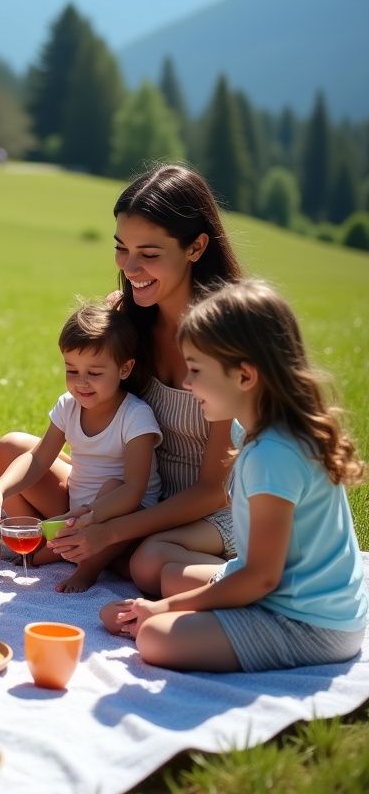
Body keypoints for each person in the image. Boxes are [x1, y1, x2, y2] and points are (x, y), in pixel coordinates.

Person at [100, 280, 367, 672]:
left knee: (154, 635)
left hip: (305, 622)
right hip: (279, 590)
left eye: (196, 370)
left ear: (245, 376)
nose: (188, 384)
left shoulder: (273, 454)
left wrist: (163, 608)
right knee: (169, 575)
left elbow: (260, 578)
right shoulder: (258, 429)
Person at [53, 164, 244, 585]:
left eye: (150, 254)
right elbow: (87, 406)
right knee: (15, 450)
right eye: (122, 248)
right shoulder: (126, 319)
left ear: (195, 248)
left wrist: (112, 529)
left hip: (209, 512)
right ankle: (113, 555)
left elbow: (214, 490)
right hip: (135, 495)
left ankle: (259, 579)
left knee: (146, 562)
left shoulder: (227, 343)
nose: (130, 267)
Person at [0, 299, 162, 593]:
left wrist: (84, 515)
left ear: (125, 369)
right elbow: (38, 460)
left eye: (95, 373)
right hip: (75, 507)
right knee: (11, 447)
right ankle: (41, 541)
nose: (81, 383)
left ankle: (86, 567)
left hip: (121, 518)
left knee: (113, 486)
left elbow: (133, 490)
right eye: (72, 370)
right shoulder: (69, 406)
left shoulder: (136, 416)